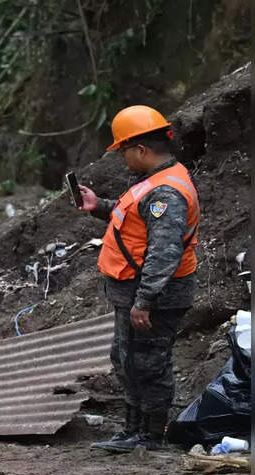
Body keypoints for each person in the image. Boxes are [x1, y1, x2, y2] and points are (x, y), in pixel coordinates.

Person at [79, 105, 201, 453]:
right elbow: (135, 222)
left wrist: (145, 301)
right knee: (127, 358)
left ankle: (150, 435)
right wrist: (98, 205)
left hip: (153, 296)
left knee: (149, 362)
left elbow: (164, 252)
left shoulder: (166, 193)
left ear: (142, 150)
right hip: (133, 291)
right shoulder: (154, 182)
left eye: (124, 152)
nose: (124, 160)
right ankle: (132, 430)